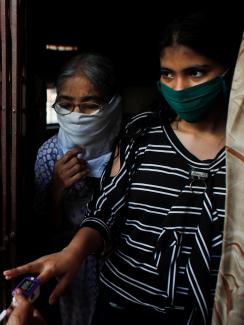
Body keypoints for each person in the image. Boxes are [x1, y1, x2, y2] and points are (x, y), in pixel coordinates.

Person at [3, 11, 243, 325]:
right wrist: (74, 248)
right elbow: (104, 210)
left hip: (202, 310)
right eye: (167, 74)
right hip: (119, 302)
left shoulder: (236, 153)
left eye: (196, 73)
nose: (180, 87)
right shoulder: (141, 135)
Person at [32, 52, 122, 325]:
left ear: (113, 104)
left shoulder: (132, 149)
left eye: (89, 105)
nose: (76, 116)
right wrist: (57, 190)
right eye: (67, 104)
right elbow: (39, 233)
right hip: (74, 275)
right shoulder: (50, 154)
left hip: (123, 270)